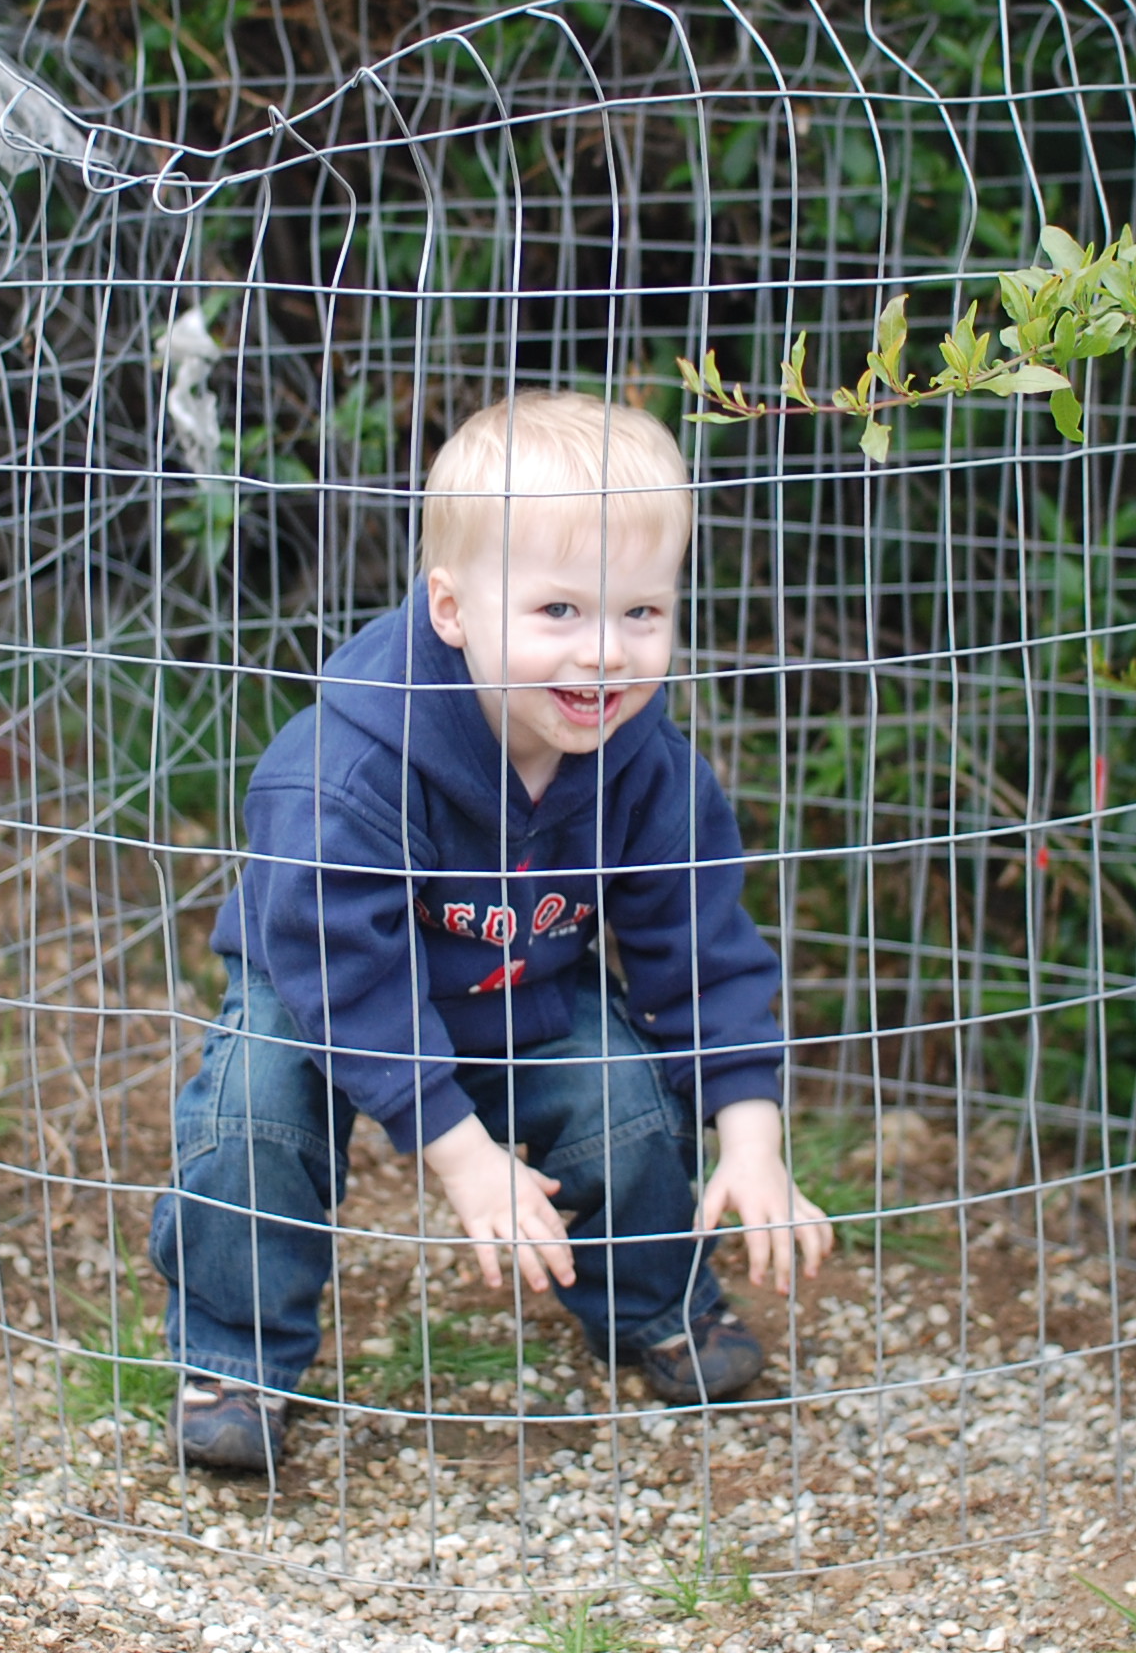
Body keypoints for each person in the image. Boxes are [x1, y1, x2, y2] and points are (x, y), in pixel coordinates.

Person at [149, 390, 833, 1473]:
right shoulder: (349, 765)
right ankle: (234, 1358)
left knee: (621, 1098)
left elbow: (699, 945)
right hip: (322, 989)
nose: (603, 654)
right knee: (252, 1112)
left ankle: (661, 1307)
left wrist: (752, 1137)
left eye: (640, 612)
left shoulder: (646, 766)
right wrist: (462, 1155)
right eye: (558, 610)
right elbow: (338, 962)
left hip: (519, 983)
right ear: (452, 609)